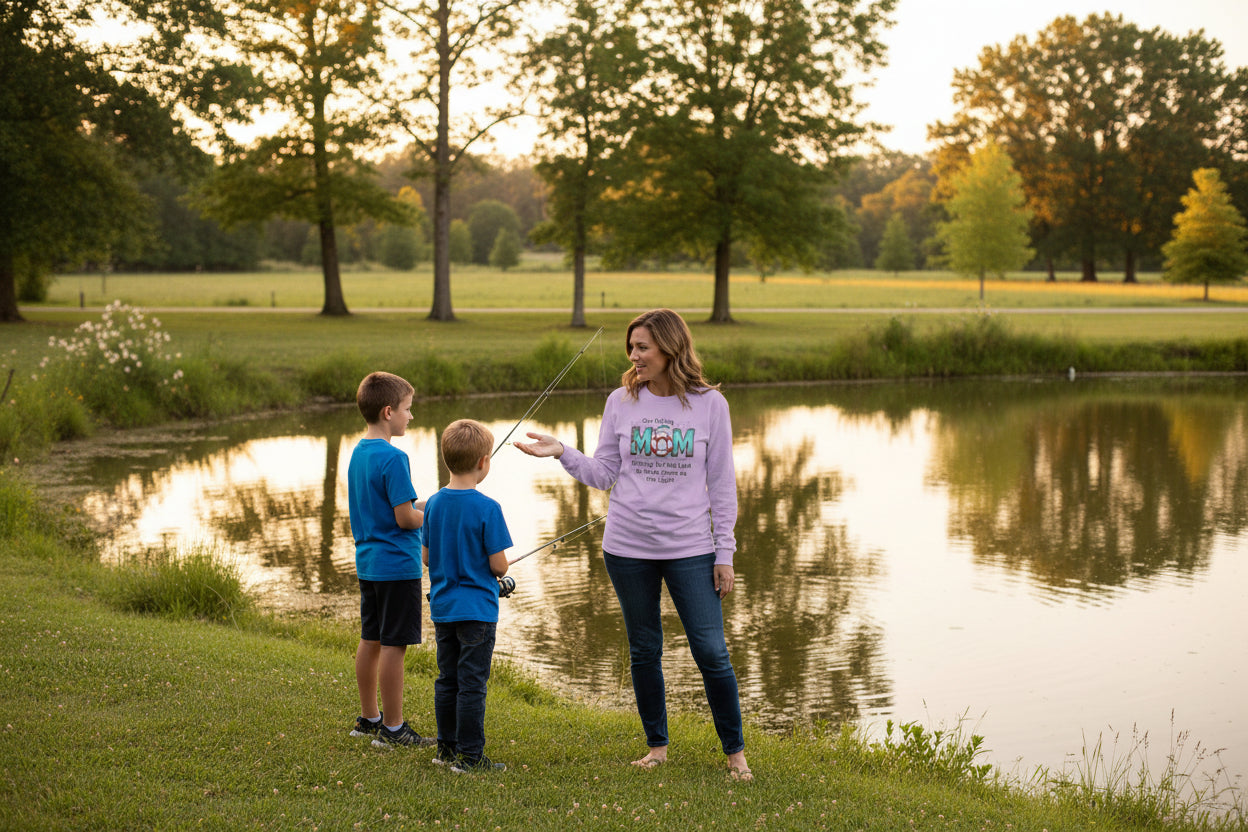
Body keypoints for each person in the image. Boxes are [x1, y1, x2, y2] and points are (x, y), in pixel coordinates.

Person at [515, 308, 751, 780]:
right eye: (632, 347)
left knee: (711, 650)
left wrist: (724, 553)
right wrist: (562, 451)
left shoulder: (710, 405)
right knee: (644, 649)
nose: (634, 355)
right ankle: (657, 748)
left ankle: (735, 755)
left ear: (670, 348)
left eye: (643, 347)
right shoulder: (621, 401)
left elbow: (723, 485)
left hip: (691, 548)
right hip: (627, 548)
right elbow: (604, 474)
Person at [346, 371, 436, 749]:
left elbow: (388, 507)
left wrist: (423, 503)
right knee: (395, 645)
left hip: (368, 563)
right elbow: (404, 518)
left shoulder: (359, 453)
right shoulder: (395, 458)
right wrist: (430, 514)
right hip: (398, 566)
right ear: (388, 412)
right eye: (406, 410)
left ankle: (369, 718)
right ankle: (394, 728)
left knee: (371, 639)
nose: (410, 417)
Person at [423, 418, 514, 773]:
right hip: (477, 611)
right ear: (483, 462)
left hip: (443, 608)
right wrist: (499, 572)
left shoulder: (432, 504)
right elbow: (499, 566)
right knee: (472, 684)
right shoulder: (488, 508)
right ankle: (471, 758)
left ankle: (445, 749)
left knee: (448, 679)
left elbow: (428, 558)